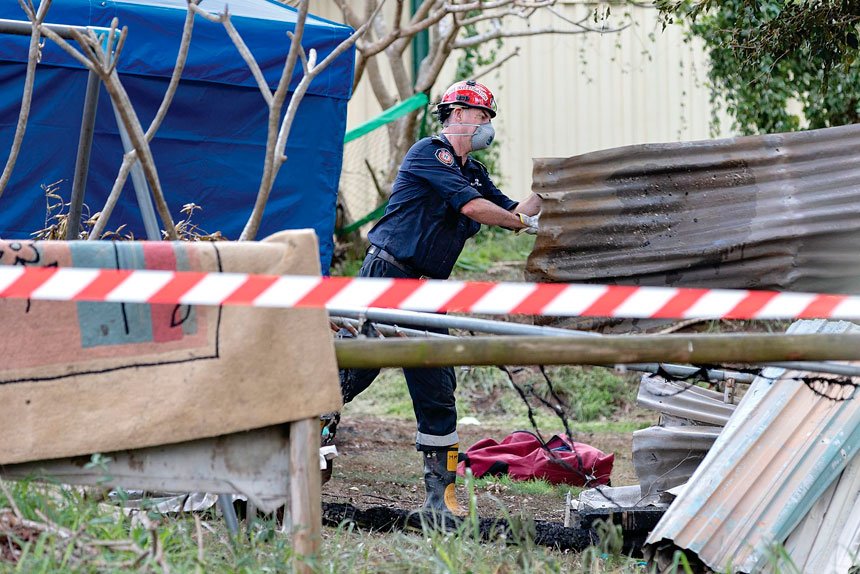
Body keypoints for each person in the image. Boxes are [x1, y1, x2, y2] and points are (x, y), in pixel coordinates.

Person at [337, 80, 541, 516]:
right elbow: (475, 210)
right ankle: (301, 437)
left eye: (489, 118)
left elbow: (514, 210)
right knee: (352, 373)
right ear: (457, 114)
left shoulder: (474, 171)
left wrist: (554, 186)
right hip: (388, 275)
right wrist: (519, 223)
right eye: (481, 116)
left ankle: (440, 498)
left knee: (437, 387)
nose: (487, 125)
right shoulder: (428, 153)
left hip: (428, 290)